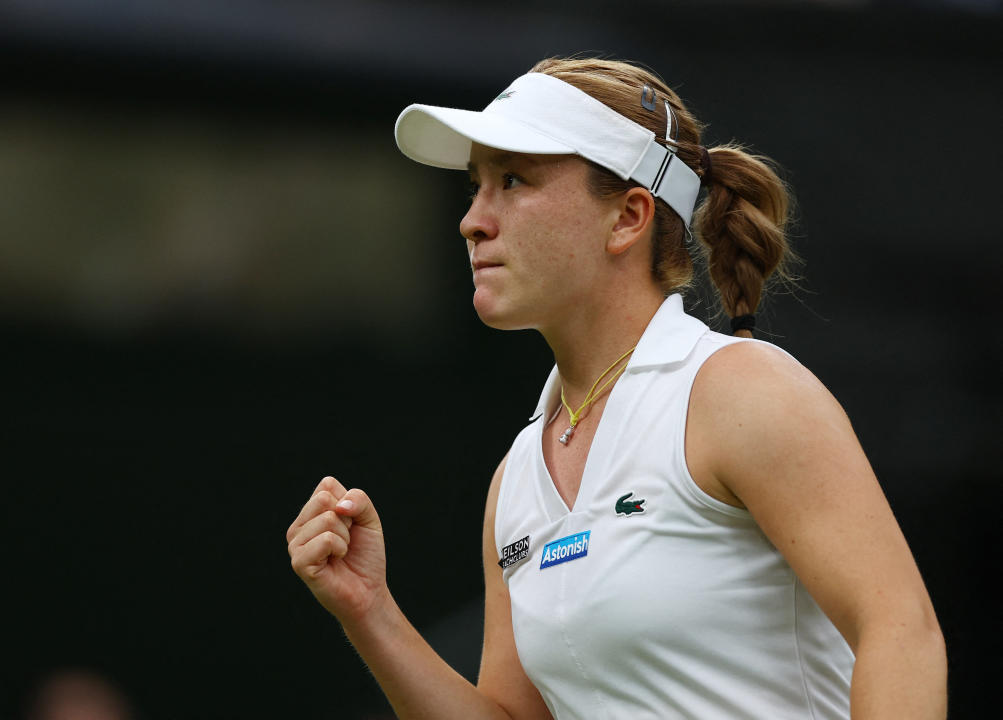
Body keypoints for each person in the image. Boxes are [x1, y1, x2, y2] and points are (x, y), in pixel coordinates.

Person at [286, 57, 947, 719]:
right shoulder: (515, 482)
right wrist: (370, 612)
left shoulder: (743, 391)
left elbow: (898, 632)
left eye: (512, 180)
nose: (473, 221)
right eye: (475, 187)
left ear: (627, 218)